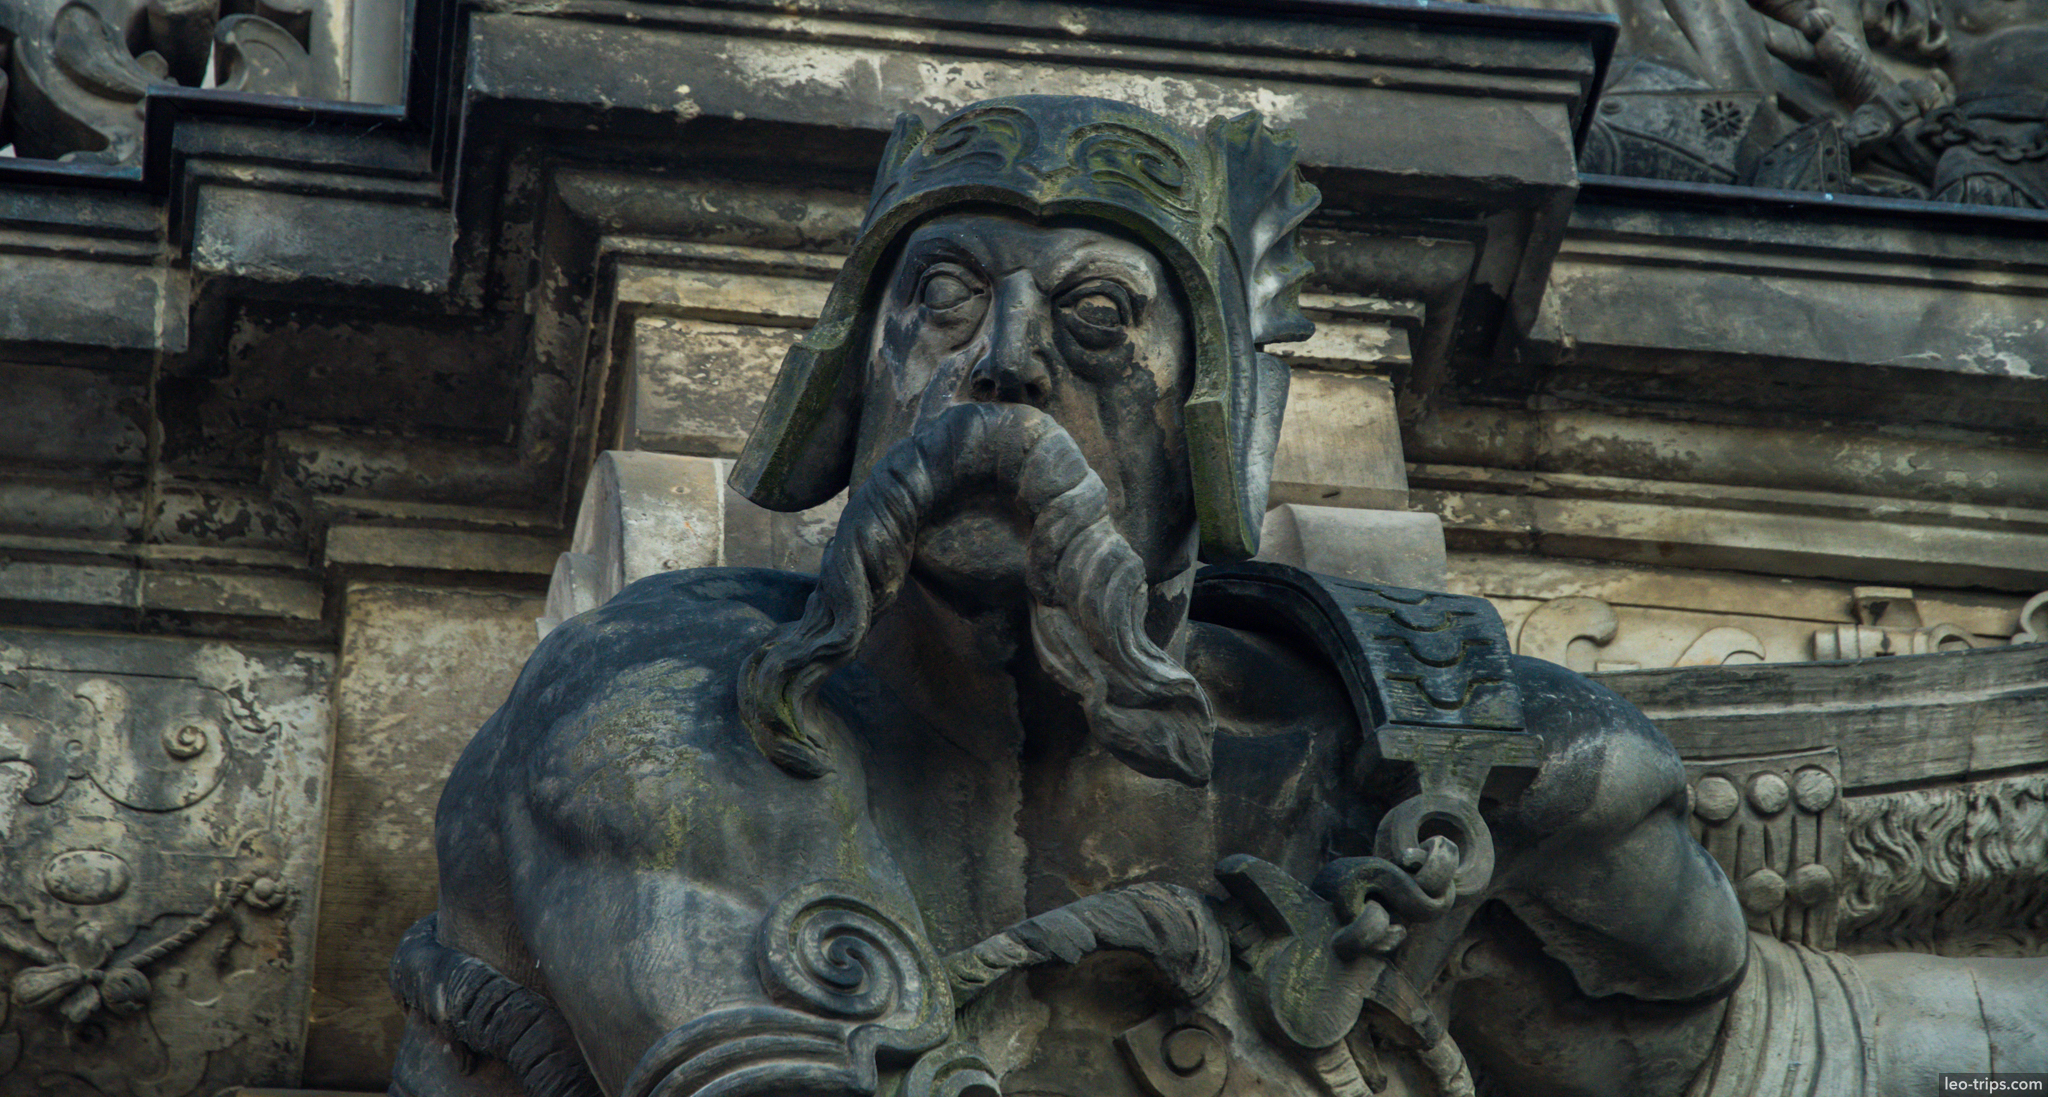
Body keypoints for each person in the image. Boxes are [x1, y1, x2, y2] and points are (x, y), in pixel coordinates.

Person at [389, 96, 2042, 1097]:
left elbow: (1693, 1016)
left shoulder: (1388, 728)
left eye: (1097, 319)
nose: (1007, 366)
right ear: (859, 376)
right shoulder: (662, 707)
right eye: (946, 298)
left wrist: (1568, 802)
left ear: (1203, 440)